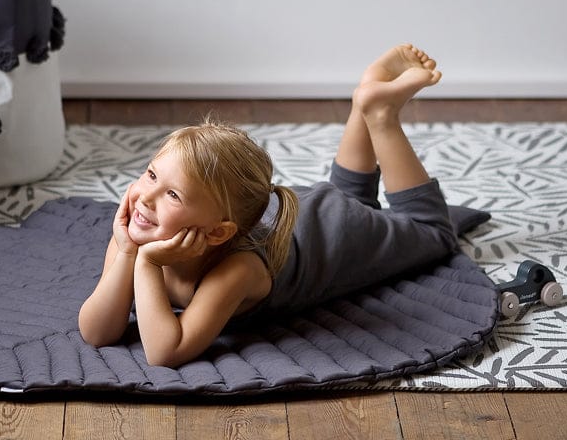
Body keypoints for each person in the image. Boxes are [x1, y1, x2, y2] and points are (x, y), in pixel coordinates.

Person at [78, 44, 458, 368]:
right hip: (299, 215)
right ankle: (365, 102)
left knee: (432, 231)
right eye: (150, 175)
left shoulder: (236, 269)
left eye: (172, 195)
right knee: (351, 197)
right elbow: (97, 332)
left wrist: (146, 263)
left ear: (218, 232)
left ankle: (381, 116)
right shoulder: (136, 235)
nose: (146, 197)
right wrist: (127, 253)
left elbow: (165, 352)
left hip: (336, 231)